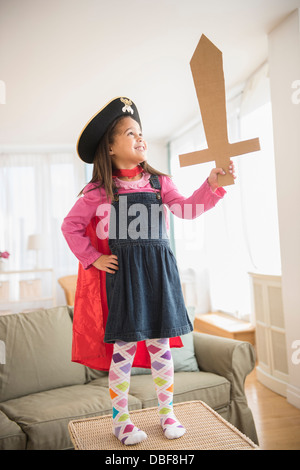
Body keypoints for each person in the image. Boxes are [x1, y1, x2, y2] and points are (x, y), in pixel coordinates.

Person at [61, 97, 235, 446]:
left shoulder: (160, 183)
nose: (140, 138)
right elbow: (70, 227)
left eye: (141, 133)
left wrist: (212, 185)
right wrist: (93, 258)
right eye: (129, 133)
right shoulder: (99, 191)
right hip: (124, 281)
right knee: (123, 351)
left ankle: (167, 414)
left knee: (161, 348)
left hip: (160, 275)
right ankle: (121, 422)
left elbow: (187, 210)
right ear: (109, 148)